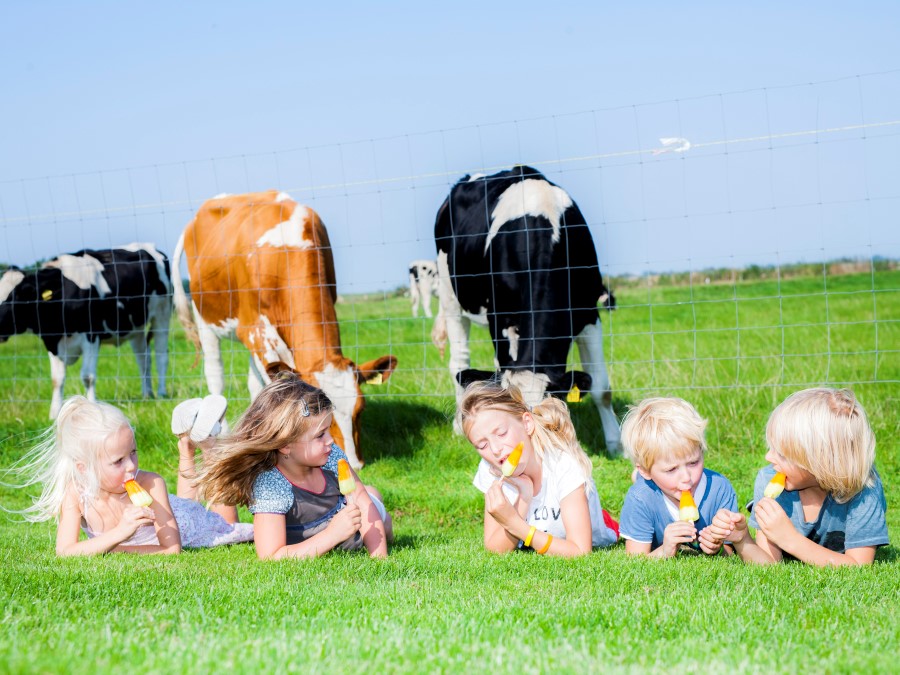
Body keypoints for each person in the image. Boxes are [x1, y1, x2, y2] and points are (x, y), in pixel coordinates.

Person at [7, 396, 253, 556]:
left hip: (189, 525)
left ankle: (209, 446)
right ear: (84, 468)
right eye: (118, 461)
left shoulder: (150, 482)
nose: (131, 466)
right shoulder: (76, 493)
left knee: (224, 522)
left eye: (133, 453)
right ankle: (188, 446)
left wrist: (113, 548)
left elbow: (171, 549)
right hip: (177, 509)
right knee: (187, 504)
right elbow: (65, 551)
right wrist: (119, 534)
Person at [197, 373, 391, 559]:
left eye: (329, 430)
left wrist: (380, 559)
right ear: (285, 445)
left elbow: (362, 504)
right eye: (320, 435)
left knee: (377, 511)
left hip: (357, 525)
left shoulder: (332, 457)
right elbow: (271, 556)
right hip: (336, 530)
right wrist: (333, 534)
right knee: (370, 496)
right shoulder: (272, 484)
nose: (331, 440)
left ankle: (375, 496)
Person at [708, 388, 888, 566]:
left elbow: (858, 566)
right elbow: (769, 565)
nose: (769, 458)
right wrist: (743, 540)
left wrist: (790, 539)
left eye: (782, 455)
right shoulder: (768, 479)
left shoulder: (864, 490)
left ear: (821, 463)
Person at [458, 381, 618, 557]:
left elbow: (580, 551)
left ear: (527, 423)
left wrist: (514, 523)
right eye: (482, 445)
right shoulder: (490, 468)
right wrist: (523, 500)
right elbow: (495, 550)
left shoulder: (563, 464)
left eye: (502, 433)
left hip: (597, 534)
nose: (495, 450)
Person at [619, 397, 737, 558]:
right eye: (671, 469)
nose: (686, 478)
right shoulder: (640, 499)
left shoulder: (719, 489)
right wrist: (664, 550)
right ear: (646, 471)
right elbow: (635, 561)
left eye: (693, 462)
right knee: (643, 487)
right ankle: (639, 478)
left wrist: (719, 549)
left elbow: (731, 552)